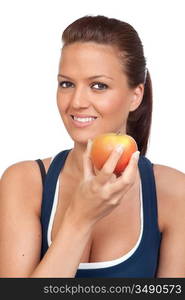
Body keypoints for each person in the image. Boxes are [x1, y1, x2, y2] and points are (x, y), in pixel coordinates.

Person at [0, 15, 185, 278]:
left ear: (136, 96)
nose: (76, 102)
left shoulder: (175, 193)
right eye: (67, 84)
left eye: (98, 86)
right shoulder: (24, 182)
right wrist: (80, 218)